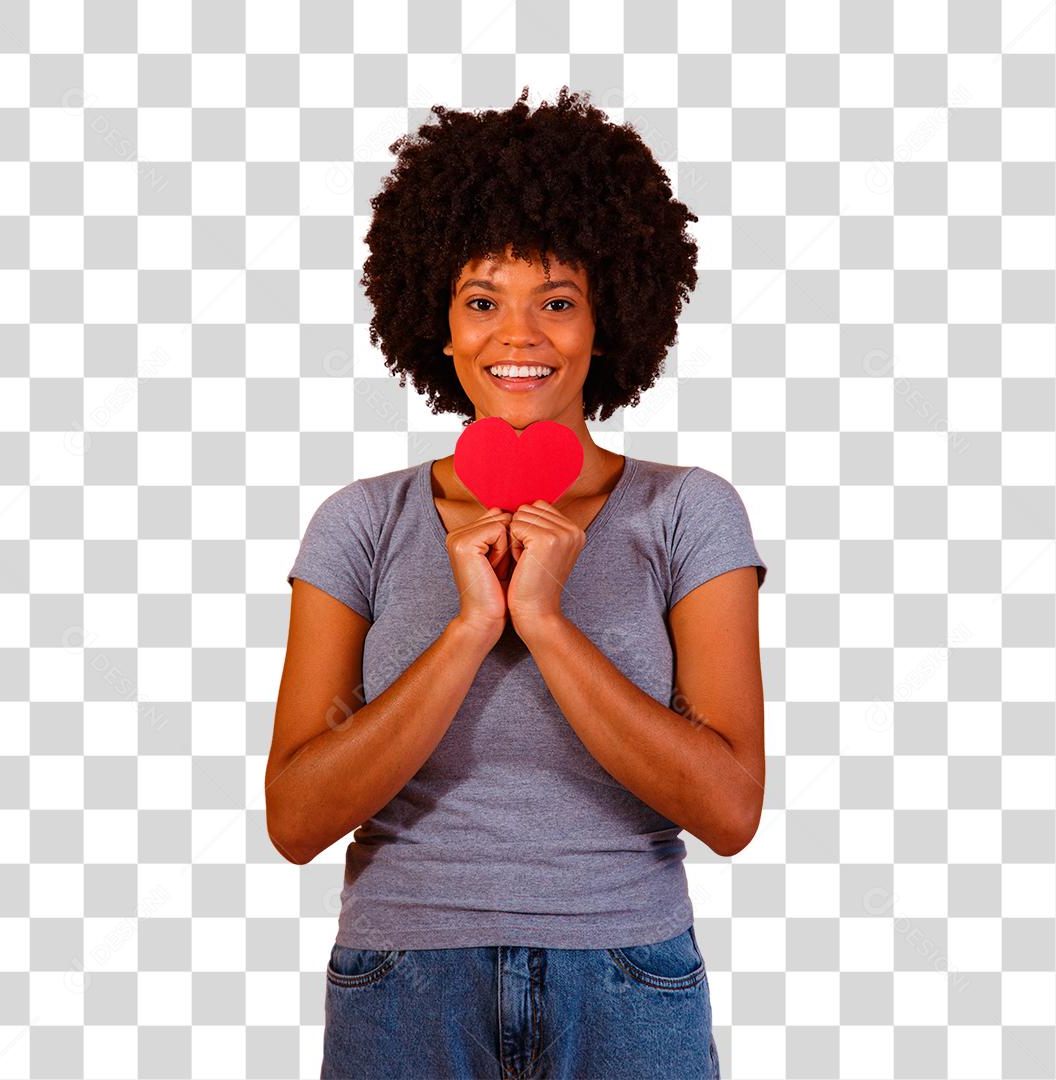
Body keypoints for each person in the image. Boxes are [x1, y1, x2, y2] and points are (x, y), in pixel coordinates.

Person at [268, 86, 767, 1080]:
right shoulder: (364, 524)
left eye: (558, 300)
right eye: (483, 301)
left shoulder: (688, 514)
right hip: (402, 982)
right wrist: (468, 630)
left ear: (608, 317)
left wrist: (545, 623)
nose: (520, 335)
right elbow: (296, 818)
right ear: (440, 328)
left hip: (629, 978)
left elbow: (730, 809)